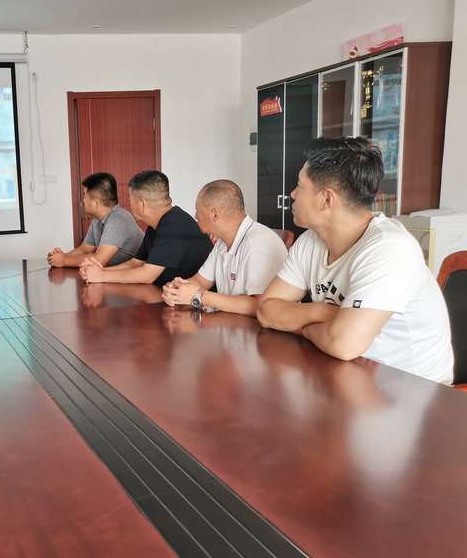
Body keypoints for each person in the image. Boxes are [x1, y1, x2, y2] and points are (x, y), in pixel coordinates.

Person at [257, 136, 453, 384]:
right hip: (349, 374)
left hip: (415, 388)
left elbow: (343, 345)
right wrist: (321, 311)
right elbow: (266, 310)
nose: (293, 194)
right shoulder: (311, 240)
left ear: (327, 199)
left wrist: (306, 327)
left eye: (300, 186)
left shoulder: (389, 249)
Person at [162, 179, 287, 316]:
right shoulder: (222, 242)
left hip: (255, 327)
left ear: (215, 214)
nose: (195, 216)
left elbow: (260, 306)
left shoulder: (258, 243)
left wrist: (200, 296)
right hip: (229, 322)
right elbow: (201, 280)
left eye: (198, 209)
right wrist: (177, 289)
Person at [80, 170, 212, 286]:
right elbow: (135, 263)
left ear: (143, 204)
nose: (129, 204)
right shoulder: (156, 225)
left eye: (130, 199)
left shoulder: (174, 224)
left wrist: (101, 276)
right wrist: (99, 271)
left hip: (192, 302)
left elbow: (147, 275)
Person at [47, 172, 143, 268]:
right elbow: (85, 249)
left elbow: (99, 260)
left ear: (96, 202)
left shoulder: (118, 220)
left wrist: (63, 260)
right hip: (112, 272)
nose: (83, 200)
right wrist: (61, 257)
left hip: (132, 274)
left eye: (85, 196)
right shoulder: (97, 220)